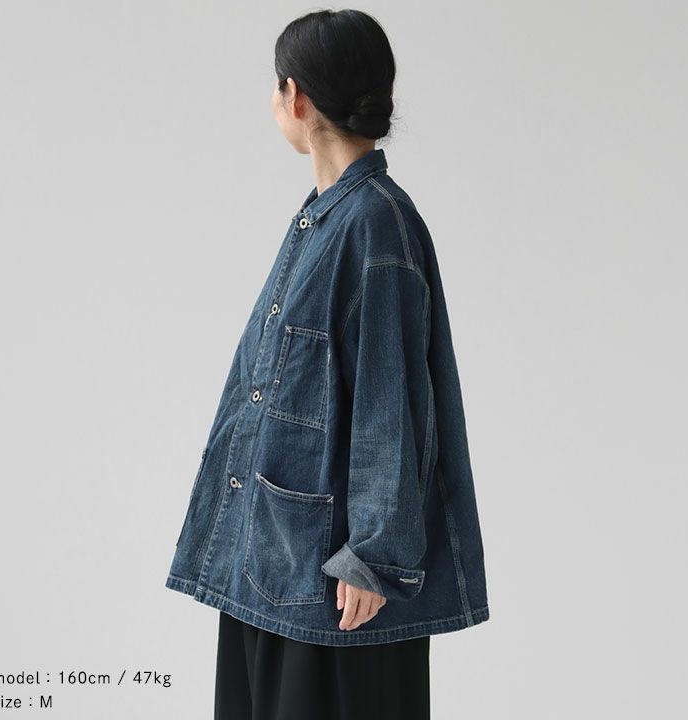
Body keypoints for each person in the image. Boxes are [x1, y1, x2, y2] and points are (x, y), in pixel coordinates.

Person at [165, 9, 490, 719]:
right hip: (277, 565)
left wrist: (375, 554)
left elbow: (390, 401)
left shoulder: (374, 225)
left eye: (275, 86)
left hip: (336, 589)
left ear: (298, 98)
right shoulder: (324, 217)